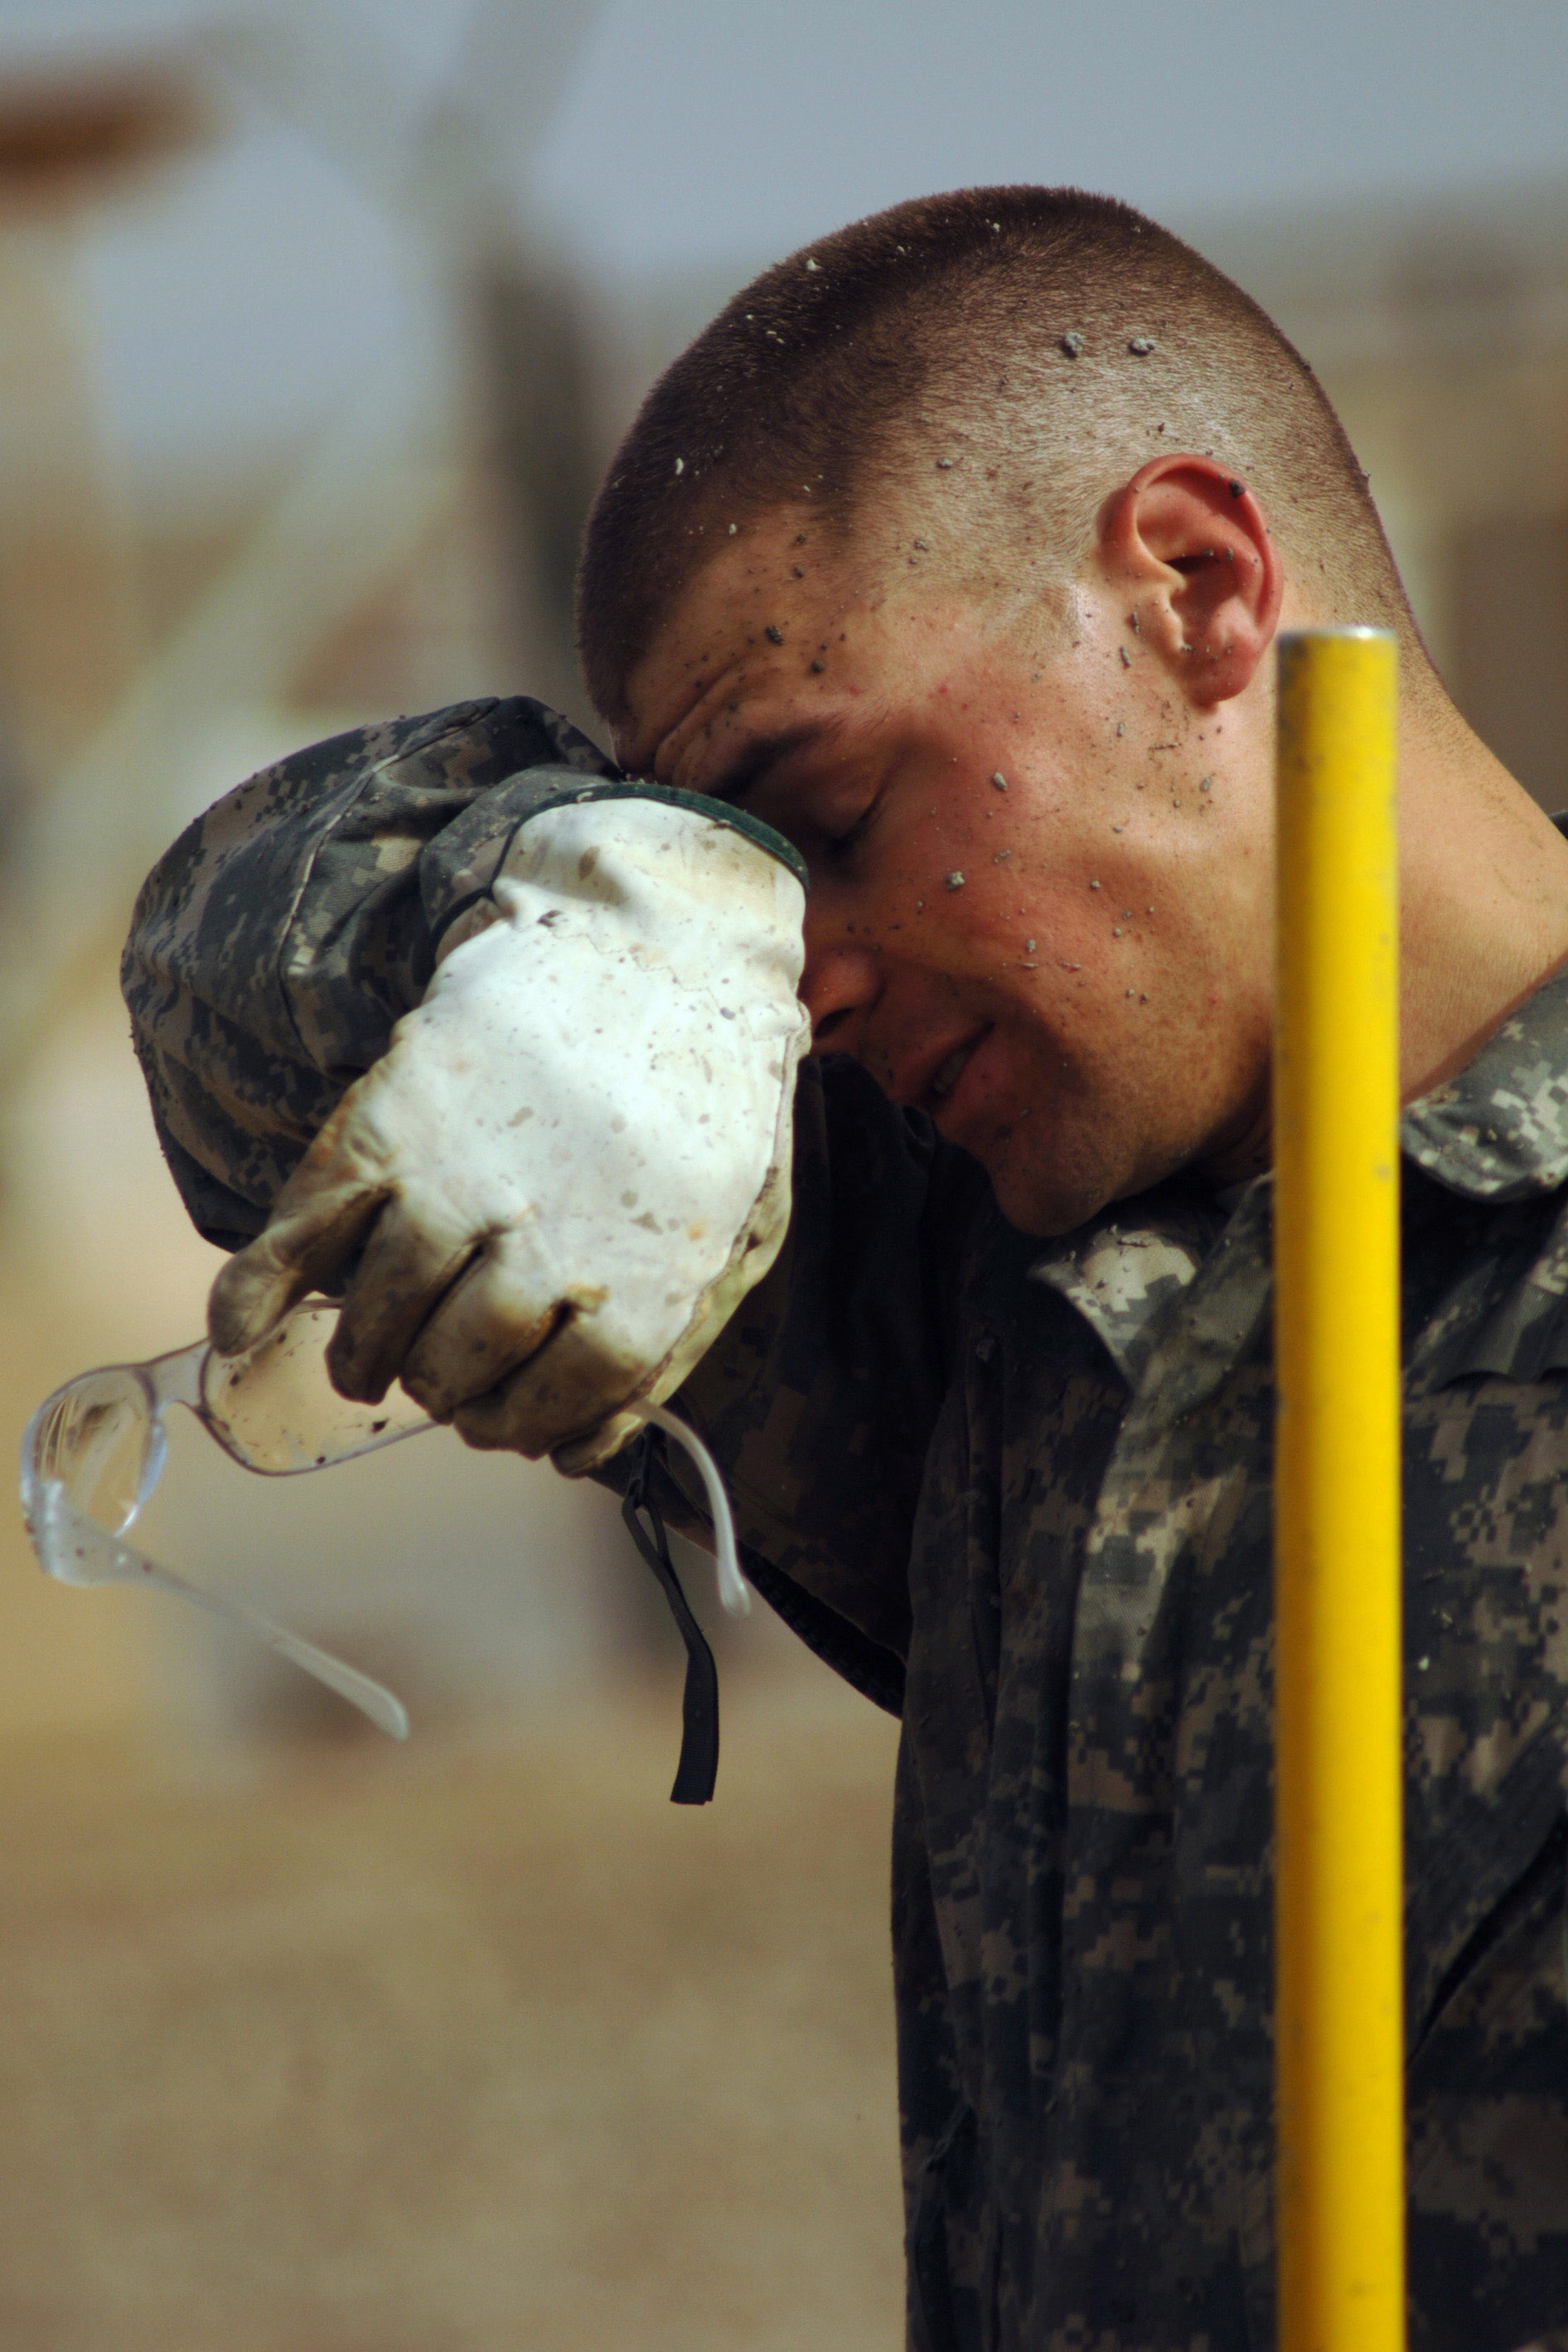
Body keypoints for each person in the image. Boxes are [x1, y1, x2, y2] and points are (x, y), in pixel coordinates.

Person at [123, 188, 1568, 2352]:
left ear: (1188, 589)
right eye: (731, 878)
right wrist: (579, 899)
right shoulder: (972, 1251)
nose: (794, 977)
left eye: (817, 815)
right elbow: (219, 993)